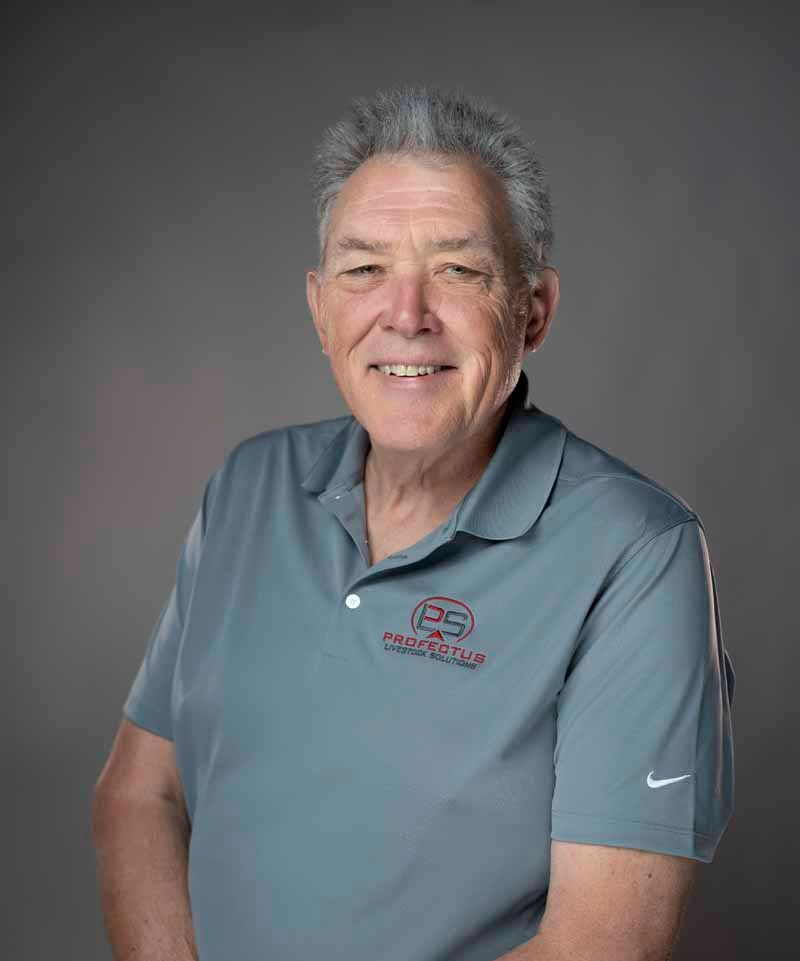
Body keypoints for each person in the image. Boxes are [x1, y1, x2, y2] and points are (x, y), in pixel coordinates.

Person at [91, 84, 735, 961]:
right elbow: (136, 796)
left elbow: (600, 946)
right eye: (364, 269)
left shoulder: (636, 552)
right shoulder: (247, 487)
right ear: (320, 308)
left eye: (457, 270)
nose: (406, 314)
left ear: (532, 311)